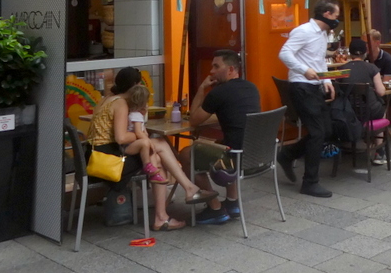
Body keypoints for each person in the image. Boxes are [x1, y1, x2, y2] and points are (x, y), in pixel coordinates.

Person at [86, 67, 216, 231]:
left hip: (95, 156)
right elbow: (121, 138)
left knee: (157, 150)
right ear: (135, 85)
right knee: (157, 154)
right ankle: (166, 213)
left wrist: (141, 136)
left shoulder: (107, 99)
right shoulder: (121, 103)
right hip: (109, 161)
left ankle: (182, 196)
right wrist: (141, 135)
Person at [181, 50, 261, 224]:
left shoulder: (219, 93)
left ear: (231, 69)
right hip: (256, 156)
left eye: (216, 66)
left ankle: (215, 208)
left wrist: (202, 89)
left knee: (186, 154)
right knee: (222, 143)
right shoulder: (252, 88)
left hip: (234, 158)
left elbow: (194, 120)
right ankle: (232, 202)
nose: (211, 71)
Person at [277, 0, 339, 198]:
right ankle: (310, 182)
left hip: (315, 87)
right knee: (317, 133)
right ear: (327, 14)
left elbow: (319, 60)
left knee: (326, 130)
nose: (337, 20)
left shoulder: (322, 34)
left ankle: (287, 154)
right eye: (336, 15)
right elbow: (284, 53)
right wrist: (304, 70)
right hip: (301, 86)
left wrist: (327, 80)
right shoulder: (303, 31)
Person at [340, 39, 387, 164]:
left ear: (350, 53)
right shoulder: (372, 68)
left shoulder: (342, 69)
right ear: (365, 53)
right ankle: (379, 151)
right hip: (369, 112)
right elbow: (381, 92)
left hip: (348, 113)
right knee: (382, 109)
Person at [119, 84, 167, 185]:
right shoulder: (136, 115)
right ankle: (148, 166)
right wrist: (149, 141)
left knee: (151, 150)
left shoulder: (130, 113)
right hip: (129, 147)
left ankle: (154, 171)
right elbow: (138, 132)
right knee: (146, 144)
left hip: (128, 146)